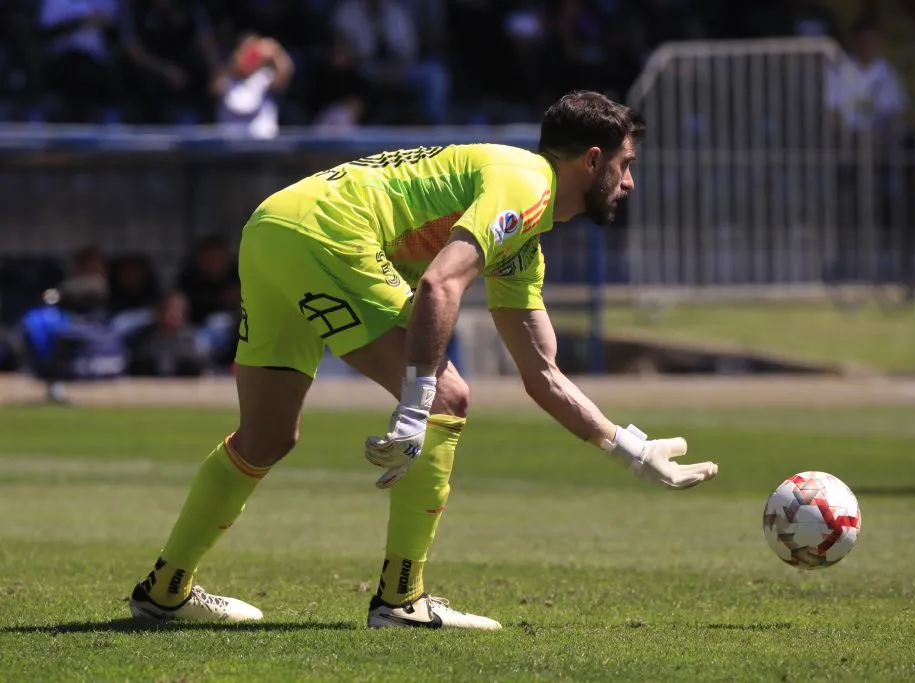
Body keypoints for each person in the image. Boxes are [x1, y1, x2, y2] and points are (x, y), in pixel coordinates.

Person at [126, 90, 719, 630]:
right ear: (592, 160)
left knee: (267, 435)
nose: (630, 182)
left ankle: (164, 589)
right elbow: (440, 285)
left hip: (274, 226)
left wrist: (631, 450)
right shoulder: (526, 185)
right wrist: (416, 406)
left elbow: (542, 375)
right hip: (330, 233)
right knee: (449, 395)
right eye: (626, 164)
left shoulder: (521, 239)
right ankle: (402, 599)